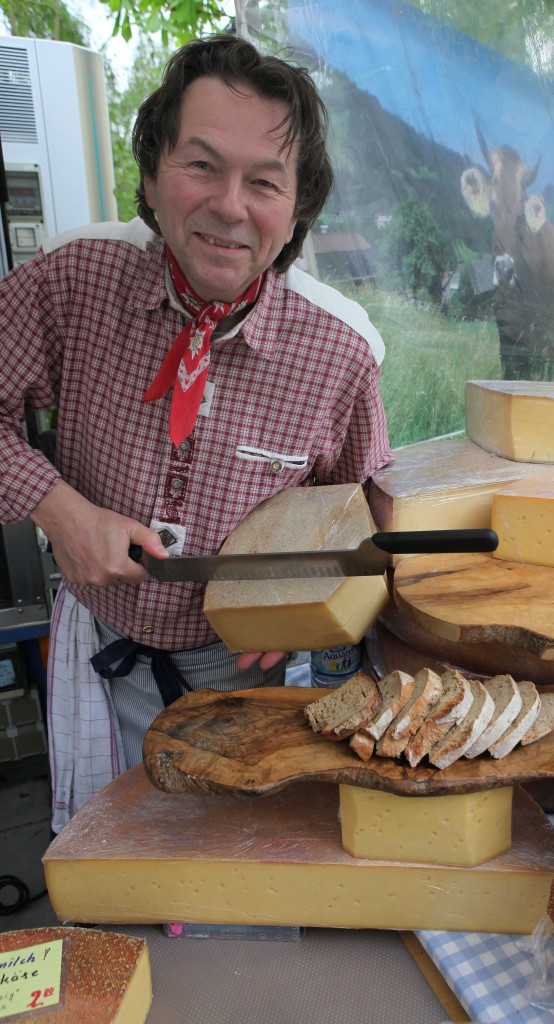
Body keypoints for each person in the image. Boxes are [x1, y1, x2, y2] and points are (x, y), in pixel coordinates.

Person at [0, 33, 392, 831]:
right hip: (98, 643)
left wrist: (299, 608)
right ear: (152, 174)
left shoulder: (340, 353)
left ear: (296, 208)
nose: (229, 205)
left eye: (264, 182)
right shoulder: (70, 280)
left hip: (248, 676)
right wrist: (59, 511)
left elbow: (361, 519)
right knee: (111, 856)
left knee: (231, 861)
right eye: (201, 165)